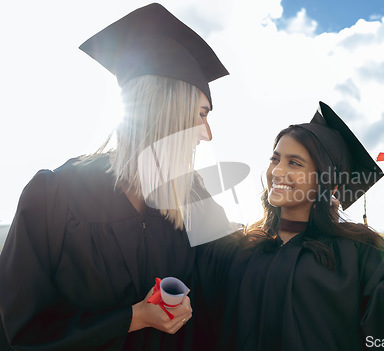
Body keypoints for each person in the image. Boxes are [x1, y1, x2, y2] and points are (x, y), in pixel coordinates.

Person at [0, 3, 229, 350]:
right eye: (200, 114)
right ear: (167, 111)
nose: (206, 134)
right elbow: (22, 330)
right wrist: (133, 318)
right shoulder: (54, 196)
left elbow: (238, 269)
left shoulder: (192, 196)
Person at [196, 101, 384, 350]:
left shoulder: (356, 253)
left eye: (295, 163)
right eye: (275, 159)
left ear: (328, 183)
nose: (277, 171)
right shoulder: (240, 247)